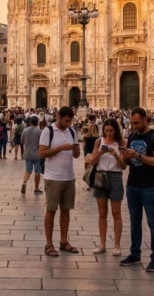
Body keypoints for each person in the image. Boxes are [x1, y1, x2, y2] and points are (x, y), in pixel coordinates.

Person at [119, 107, 154, 272]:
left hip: (150, 186)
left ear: (145, 119)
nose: (134, 126)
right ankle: (135, 253)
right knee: (134, 223)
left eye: (137, 123)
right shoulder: (132, 136)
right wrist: (123, 156)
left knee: (153, 223)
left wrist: (138, 156)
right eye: (132, 123)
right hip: (133, 184)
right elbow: (126, 164)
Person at [39, 106, 80, 257]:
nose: (69, 123)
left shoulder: (72, 131)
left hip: (69, 177)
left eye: (71, 121)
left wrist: (76, 150)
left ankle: (64, 242)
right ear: (59, 117)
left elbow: (76, 155)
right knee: (51, 210)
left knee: (66, 211)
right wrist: (61, 148)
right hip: (53, 177)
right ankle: (49, 244)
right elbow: (42, 153)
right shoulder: (48, 131)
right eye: (67, 120)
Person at [88, 118, 126, 256]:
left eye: (111, 131)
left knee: (116, 213)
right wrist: (100, 153)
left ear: (116, 130)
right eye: (106, 130)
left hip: (116, 177)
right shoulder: (99, 141)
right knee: (102, 213)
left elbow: (124, 166)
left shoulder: (121, 144)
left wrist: (116, 155)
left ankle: (117, 245)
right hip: (101, 176)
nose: (108, 133)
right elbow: (92, 162)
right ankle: (102, 244)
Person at [20, 116, 43, 195]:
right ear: (37, 122)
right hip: (37, 154)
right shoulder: (39, 131)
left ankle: (24, 182)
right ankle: (36, 189)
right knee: (37, 171)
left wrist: (22, 153)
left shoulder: (25, 130)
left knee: (28, 170)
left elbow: (22, 142)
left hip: (28, 153)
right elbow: (42, 143)